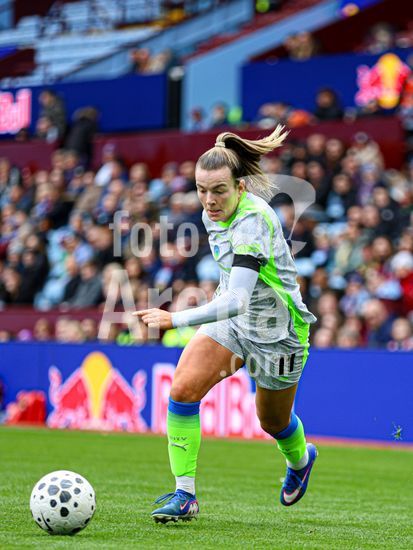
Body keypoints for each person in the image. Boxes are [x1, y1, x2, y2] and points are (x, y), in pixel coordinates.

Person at [135, 126, 317, 523]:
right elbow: (232, 297)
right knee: (182, 389)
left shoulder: (253, 222)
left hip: (277, 333)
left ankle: (301, 460)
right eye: (202, 190)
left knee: (273, 421)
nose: (209, 200)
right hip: (233, 325)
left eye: (218, 190)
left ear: (240, 186)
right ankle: (185, 495)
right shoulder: (210, 212)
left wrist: (174, 319)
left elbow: (237, 300)